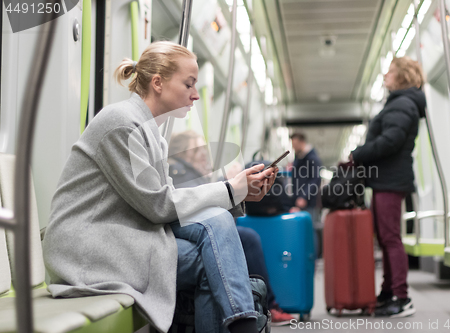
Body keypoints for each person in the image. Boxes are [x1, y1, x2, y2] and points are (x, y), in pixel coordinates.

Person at [42, 41, 278, 333]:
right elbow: (159, 206)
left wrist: (238, 193)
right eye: (188, 84)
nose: (195, 95)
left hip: (123, 237)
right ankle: (243, 325)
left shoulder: (151, 132)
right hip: (88, 251)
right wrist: (230, 190)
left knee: (216, 221)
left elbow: (168, 206)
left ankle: (242, 324)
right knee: (209, 261)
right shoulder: (122, 124)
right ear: (158, 83)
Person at [168, 131, 296, 326]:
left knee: (244, 237)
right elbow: (195, 208)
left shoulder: (195, 175)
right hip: (186, 231)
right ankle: (261, 309)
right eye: (198, 150)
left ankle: (259, 307)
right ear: (183, 152)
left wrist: (232, 186)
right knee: (246, 239)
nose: (205, 155)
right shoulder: (181, 173)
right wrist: (230, 187)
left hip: (198, 230)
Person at [350, 56, 426, 318]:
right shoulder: (401, 103)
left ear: (403, 76)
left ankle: (402, 297)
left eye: (390, 72)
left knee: (391, 239)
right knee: (386, 238)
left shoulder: (402, 103)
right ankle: (387, 292)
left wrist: (358, 153)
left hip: (391, 181)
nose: (385, 75)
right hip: (388, 180)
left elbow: (390, 141)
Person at [289, 133, 322, 217]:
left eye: (295, 144)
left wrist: (304, 196)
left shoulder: (312, 158)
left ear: (302, 142)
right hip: (298, 200)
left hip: (308, 201)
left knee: (309, 226)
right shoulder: (298, 158)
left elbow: (315, 179)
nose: (293, 147)